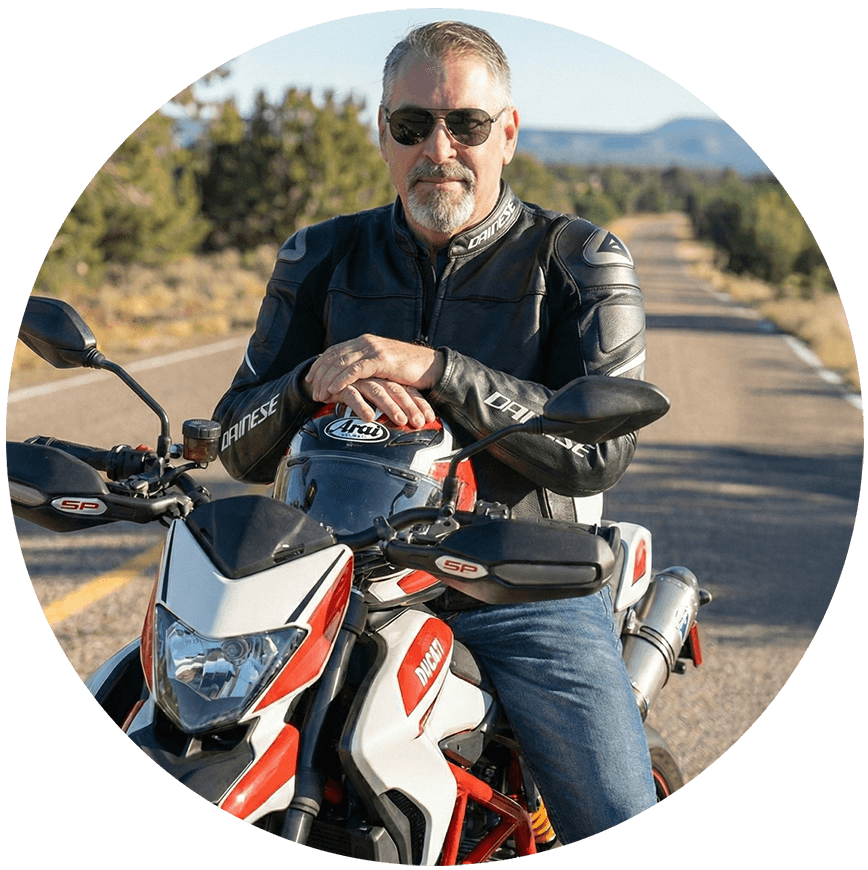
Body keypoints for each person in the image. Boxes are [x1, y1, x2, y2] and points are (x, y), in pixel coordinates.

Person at [213, 21, 656, 841]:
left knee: (613, 812)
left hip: (520, 584)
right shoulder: (320, 255)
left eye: (466, 125)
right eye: (412, 126)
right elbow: (236, 442)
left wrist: (438, 369)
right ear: (384, 132)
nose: (438, 148)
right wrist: (311, 382)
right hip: (324, 574)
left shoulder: (581, 259)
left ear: (508, 134)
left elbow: (599, 453)